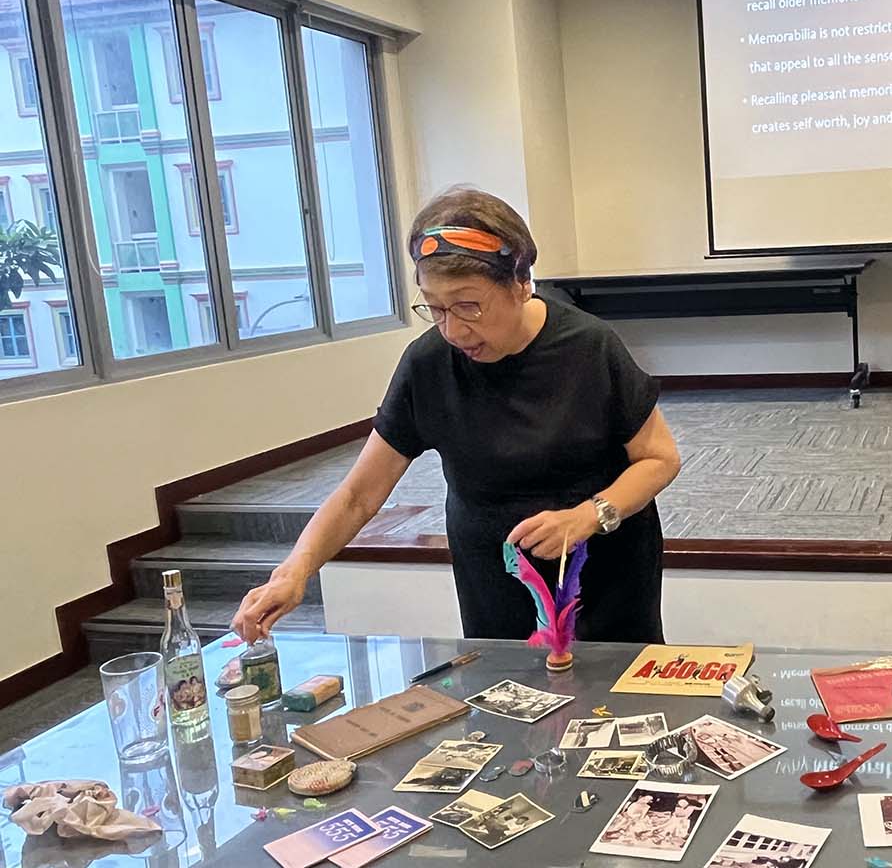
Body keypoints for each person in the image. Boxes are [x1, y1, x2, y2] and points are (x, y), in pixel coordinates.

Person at [231, 188, 682, 644]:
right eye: (435, 307)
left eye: (469, 306)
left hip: (604, 582)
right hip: (493, 590)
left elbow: (659, 459)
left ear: (521, 284)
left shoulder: (589, 348)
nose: (453, 329)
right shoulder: (427, 365)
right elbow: (359, 495)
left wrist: (588, 515)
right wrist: (294, 570)